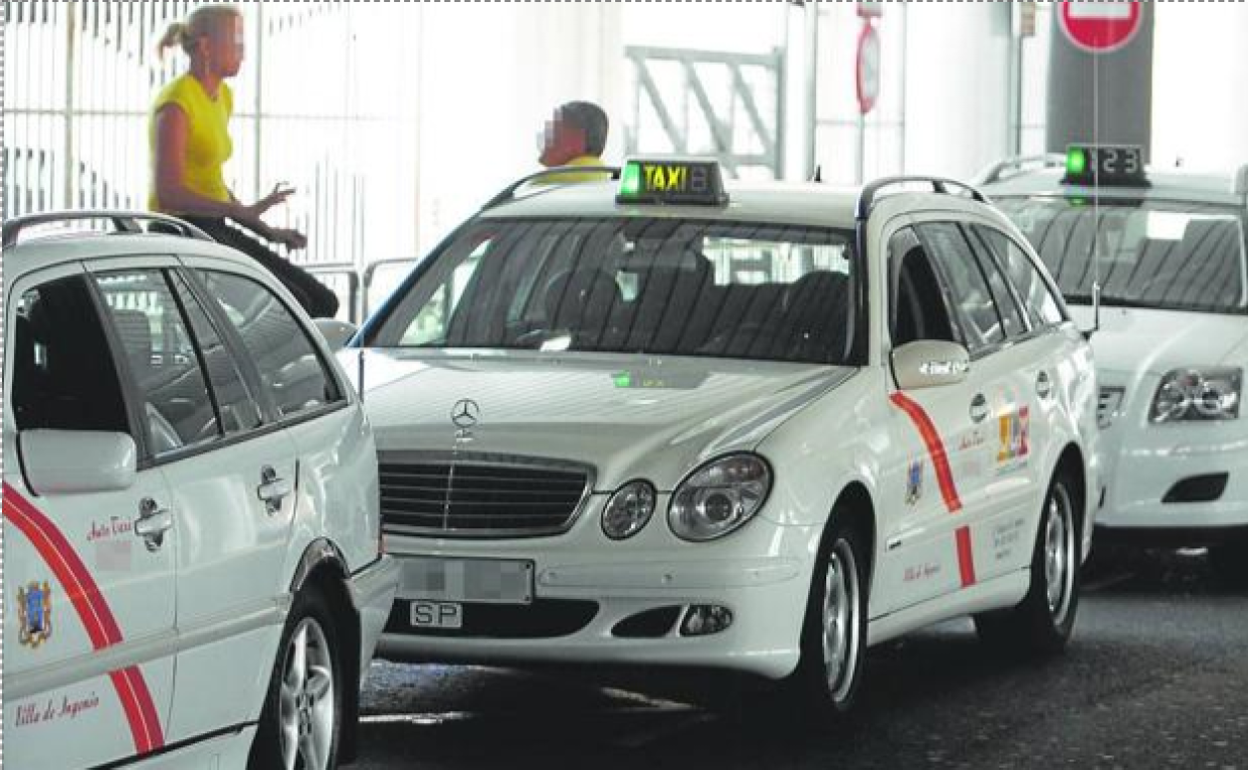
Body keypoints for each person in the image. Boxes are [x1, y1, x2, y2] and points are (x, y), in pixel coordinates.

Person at [150, 4, 339, 319]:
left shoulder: (222, 96)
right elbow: (170, 193)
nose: (243, 53)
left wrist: (268, 231)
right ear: (207, 46)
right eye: (236, 43)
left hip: (213, 225)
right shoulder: (176, 103)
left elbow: (212, 185)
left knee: (322, 302)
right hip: (180, 232)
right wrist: (238, 211)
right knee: (292, 309)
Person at [537, 101, 612, 183]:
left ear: (578, 142)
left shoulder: (548, 184)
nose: (545, 132)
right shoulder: (597, 177)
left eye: (555, 128)